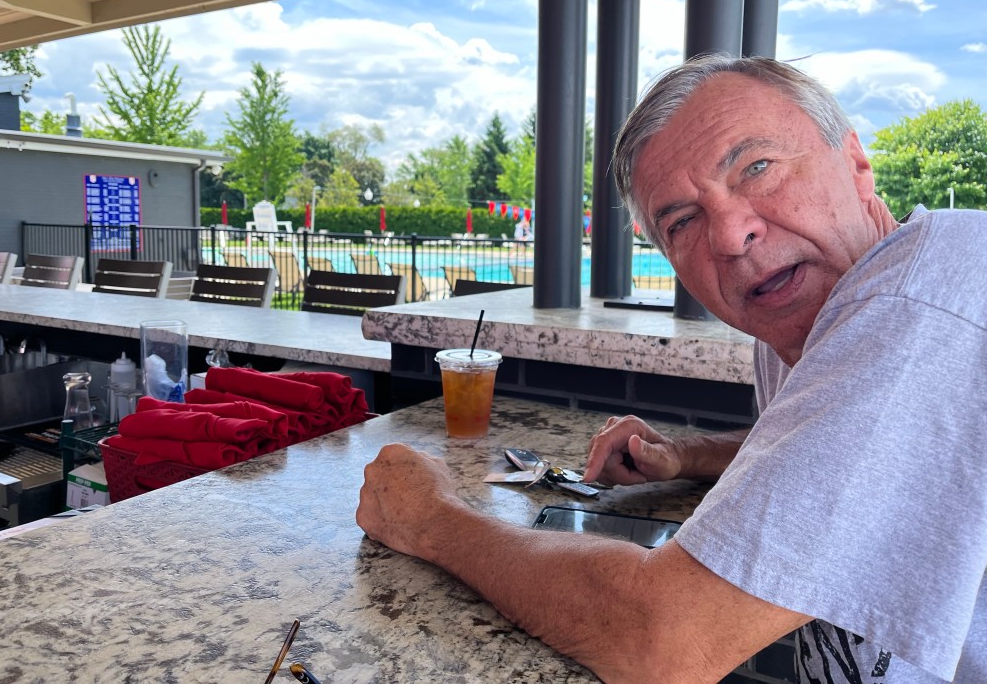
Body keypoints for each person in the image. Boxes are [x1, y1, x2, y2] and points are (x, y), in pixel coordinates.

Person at [357, 55, 987, 683]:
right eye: (682, 221)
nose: (730, 236)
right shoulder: (803, 323)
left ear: (856, 165)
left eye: (757, 168)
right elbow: (846, 449)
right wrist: (687, 456)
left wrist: (430, 518)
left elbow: (664, 640)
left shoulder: (926, 295)